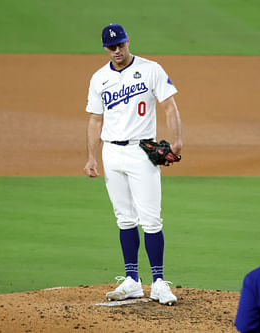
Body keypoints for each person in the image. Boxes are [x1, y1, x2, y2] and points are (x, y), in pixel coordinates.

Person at [83, 23, 182, 305]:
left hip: (142, 151)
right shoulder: (99, 78)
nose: (117, 51)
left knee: (151, 219)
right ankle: (132, 280)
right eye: (111, 47)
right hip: (111, 153)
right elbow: (95, 119)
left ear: (128, 42)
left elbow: (170, 107)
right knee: (124, 218)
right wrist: (91, 156)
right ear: (105, 48)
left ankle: (160, 282)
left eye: (121, 45)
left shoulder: (151, 69)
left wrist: (177, 141)